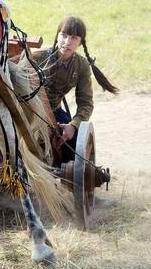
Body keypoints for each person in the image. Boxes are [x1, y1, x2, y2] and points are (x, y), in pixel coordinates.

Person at [32, 17, 119, 163]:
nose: (67, 42)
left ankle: (63, 173)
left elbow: (86, 104)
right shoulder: (36, 57)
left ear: (80, 42)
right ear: (57, 35)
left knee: (72, 142)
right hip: (28, 109)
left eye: (73, 38)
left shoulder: (81, 66)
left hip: (53, 112)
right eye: (64, 35)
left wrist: (73, 125)